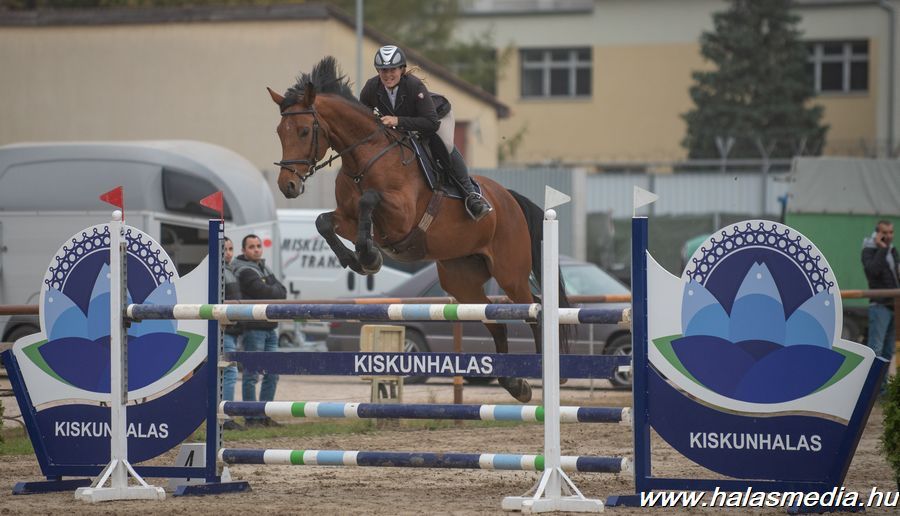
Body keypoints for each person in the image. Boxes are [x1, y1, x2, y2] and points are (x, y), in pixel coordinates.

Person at [359, 44, 492, 221]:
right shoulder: (371, 87)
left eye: (392, 70)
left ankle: (471, 196)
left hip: (435, 117)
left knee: (443, 145)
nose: (388, 75)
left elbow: (430, 123)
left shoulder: (414, 86)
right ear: (378, 71)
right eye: (383, 70)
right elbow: (363, 115)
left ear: (402, 69)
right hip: (404, 125)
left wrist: (397, 120)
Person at [233, 234, 287, 427]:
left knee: (272, 373)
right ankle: (251, 417)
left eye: (258, 246)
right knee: (251, 375)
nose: (256, 249)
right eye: (251, 247)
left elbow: (282, 292)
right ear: (244, 250)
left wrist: (271, 287)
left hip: (270, 327)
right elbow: (267, 292)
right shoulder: (245, 270)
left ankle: (264, 414)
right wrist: (270, 287)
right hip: (254, 328)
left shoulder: (263, 267)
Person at [861, 220, 898, 394]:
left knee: (888, 351)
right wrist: (881, 248)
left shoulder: (892, 250)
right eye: (885, 232)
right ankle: (870, 391)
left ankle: (882, 391)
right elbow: (873, 271)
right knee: (875, 350)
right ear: (877, 233)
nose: (889, 236)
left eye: (891, 232)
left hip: (893, 305)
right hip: (879, 305)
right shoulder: (869, 250)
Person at [221, 236, 245, 431]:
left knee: (227, 371)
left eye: (230, 249)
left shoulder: (230, 270)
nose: (228, 253)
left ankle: (223, 415)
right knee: (230, 371)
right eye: (224, 249)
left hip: (231, 330)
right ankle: (225, 416)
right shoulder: (219, 271)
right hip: (223, 330)